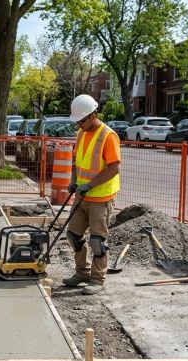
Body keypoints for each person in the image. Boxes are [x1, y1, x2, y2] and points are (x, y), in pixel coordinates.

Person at [63, 94, 121, 295]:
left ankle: (97, 280)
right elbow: (75, 160)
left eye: (81, 120)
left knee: (97, 241)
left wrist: (90, 185)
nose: (78, 124)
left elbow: (114, 168)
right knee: (74, 236)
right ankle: (82, 273)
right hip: (82, 196)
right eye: (77, 121)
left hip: (101, 199)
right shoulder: (81, 133)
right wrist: (74, 181)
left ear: (93, 114)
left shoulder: (108, 136)